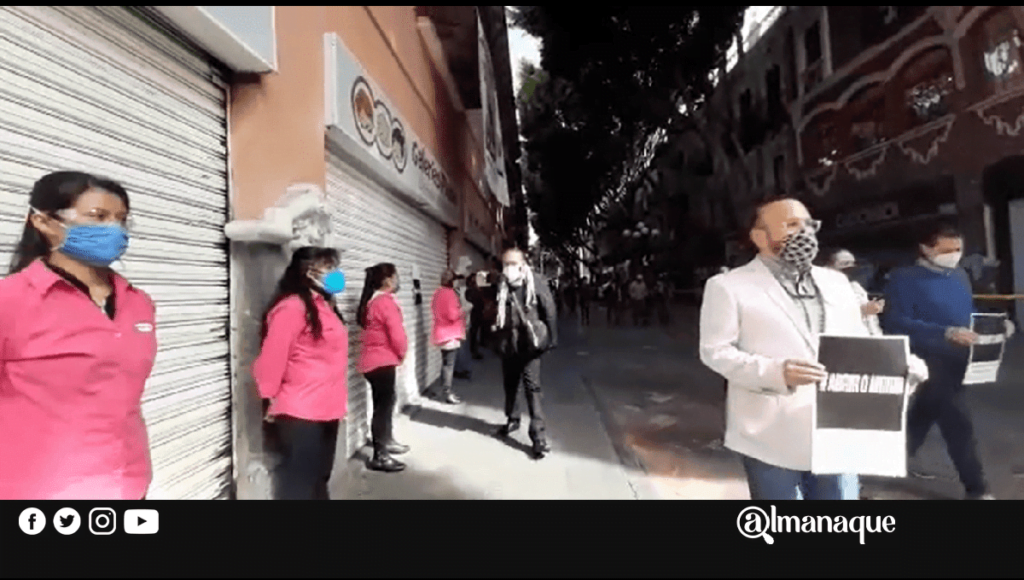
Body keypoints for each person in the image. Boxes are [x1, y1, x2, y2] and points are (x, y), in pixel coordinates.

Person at [699, 196, 927, 501]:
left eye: (809, 225)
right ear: (759, 237)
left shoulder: (837, 283)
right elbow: (715, 351)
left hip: (839, 427)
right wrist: (776, 372)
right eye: (792, 225)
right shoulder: (728, 286)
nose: (804, 232)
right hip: (770, 433)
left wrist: (901, 366)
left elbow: (861, 340)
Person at [0, 171, 156, 500]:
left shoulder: (138, 303)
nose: (114, 229)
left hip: (128, 482)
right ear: (44, 222)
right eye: (98, 217)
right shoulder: (10, 301)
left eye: (121, 220)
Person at [883, 223, 1014, 499]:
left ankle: (889, 459)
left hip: (960, 359)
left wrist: (996, 326)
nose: (954, 255)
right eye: (946, 250)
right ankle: (977, 489)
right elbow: (895, 322)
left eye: (958, 249)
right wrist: (944, 332)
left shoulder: (959, 275)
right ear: (926, 248)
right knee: (957, 421)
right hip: (928, 358)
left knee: (923, 414)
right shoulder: (904, 279)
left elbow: (970, 312)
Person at [253, 247, 349, 500]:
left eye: (334, 266)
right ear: (308, 271)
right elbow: (272, 359)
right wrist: (269, 398)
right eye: (327, 267)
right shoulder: (291, 308)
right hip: (300, 412)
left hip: (329, 409)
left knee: (320, 480)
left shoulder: (326, 306)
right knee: (299, 486)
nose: (335, 273)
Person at [491, 248, 559, 459]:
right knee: (510, 384)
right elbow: (493, 308)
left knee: (532, 387)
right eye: (505, 264)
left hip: (530, 344)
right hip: (509, 343)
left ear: (522, 265)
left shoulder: (536, 281)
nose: (508, 268)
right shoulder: (501, 283)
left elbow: (549, 309)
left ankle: (538, 437)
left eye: (512, 264)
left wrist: (552, 338)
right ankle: (512, 419)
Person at [356, 263, 409, 473]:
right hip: (382, 362)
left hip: (373, 362)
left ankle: (387, 441)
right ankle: (380, 455)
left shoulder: (372, 301)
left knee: (385, 403)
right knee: (383, 408)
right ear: (387, 280)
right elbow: (397, 334)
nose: (397, 280)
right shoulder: (385, 302)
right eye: (395, 276)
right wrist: (402, 354)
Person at [825, 249, 884, 336]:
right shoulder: (825, 289)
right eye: (844, 265)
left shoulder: (856, 288)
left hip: (862, 337)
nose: (848, 271)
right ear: (829, 266)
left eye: (851, 267)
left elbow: (871, 321)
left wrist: (877, 336)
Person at [431, 269, 466, 405]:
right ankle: (448, 393)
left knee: (445, 363)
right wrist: (462, 311)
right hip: (450, 334)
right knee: (449, 365)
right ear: (451, 281)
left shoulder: (437, 293)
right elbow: (452, 315)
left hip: (440, 333)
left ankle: (443, 390)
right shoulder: (451, 294)